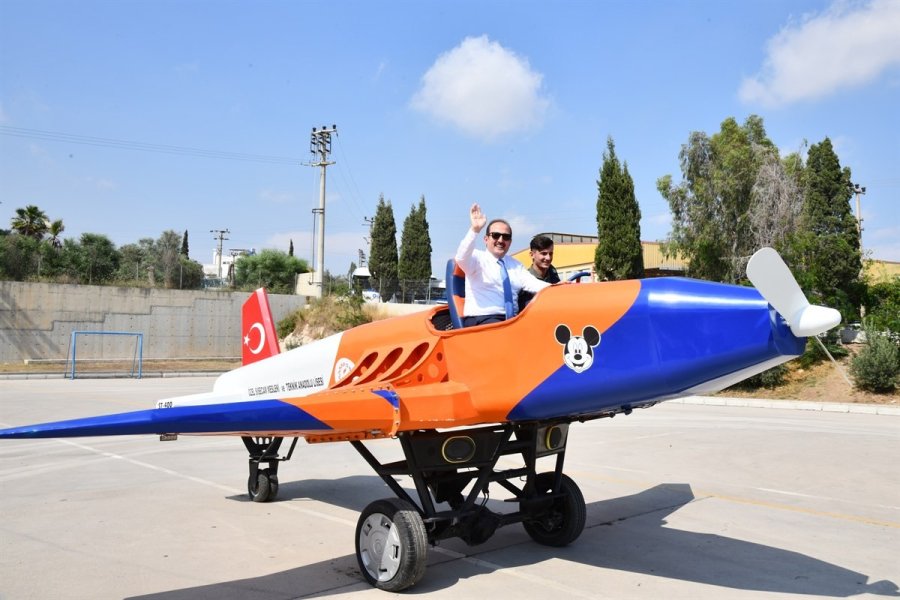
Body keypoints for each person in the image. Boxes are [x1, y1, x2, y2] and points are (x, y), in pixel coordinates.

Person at [454, 203, 551, 327]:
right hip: (482, 319)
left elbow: (535, 284)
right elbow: (461, 257)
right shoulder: (476, 258)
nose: (500, 240)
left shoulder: (515, 265)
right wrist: (475, 229)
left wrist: (559, 288)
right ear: (486, 239)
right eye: (495, 235)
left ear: (510, 242)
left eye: (506, 237)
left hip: (513, 320)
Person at [518, 234, 560, 312]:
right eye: (543, 253)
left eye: (551, 253)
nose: (548, 258)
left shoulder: (553, 273)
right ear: (532, 255)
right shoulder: (525, 282)